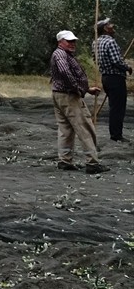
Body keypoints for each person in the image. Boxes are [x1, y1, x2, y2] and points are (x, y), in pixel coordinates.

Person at [49, 30, 106, 173]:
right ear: (60, 42)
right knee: (85, 127)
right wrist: (78, 89)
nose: (72, 44)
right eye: (69, 41)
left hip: (60, 95)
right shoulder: (61, 54)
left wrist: (86, 89)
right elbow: (65, 73)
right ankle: (92, 163)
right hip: (69, 96)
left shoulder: (63, 54)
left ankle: (65, 160)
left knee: (65, 129)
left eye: (73, 41)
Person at [93, 18, 129, 142]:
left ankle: (115, 133)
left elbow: (95, 59)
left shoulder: (95, 42)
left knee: (114, 106)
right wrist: (127, 67)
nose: (112, 25)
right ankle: (116, 135)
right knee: (118, 108)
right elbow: (116, 61)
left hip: (105, 78)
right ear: (105, 29)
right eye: (109, 24)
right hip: (115, 78)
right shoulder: (111, 42)